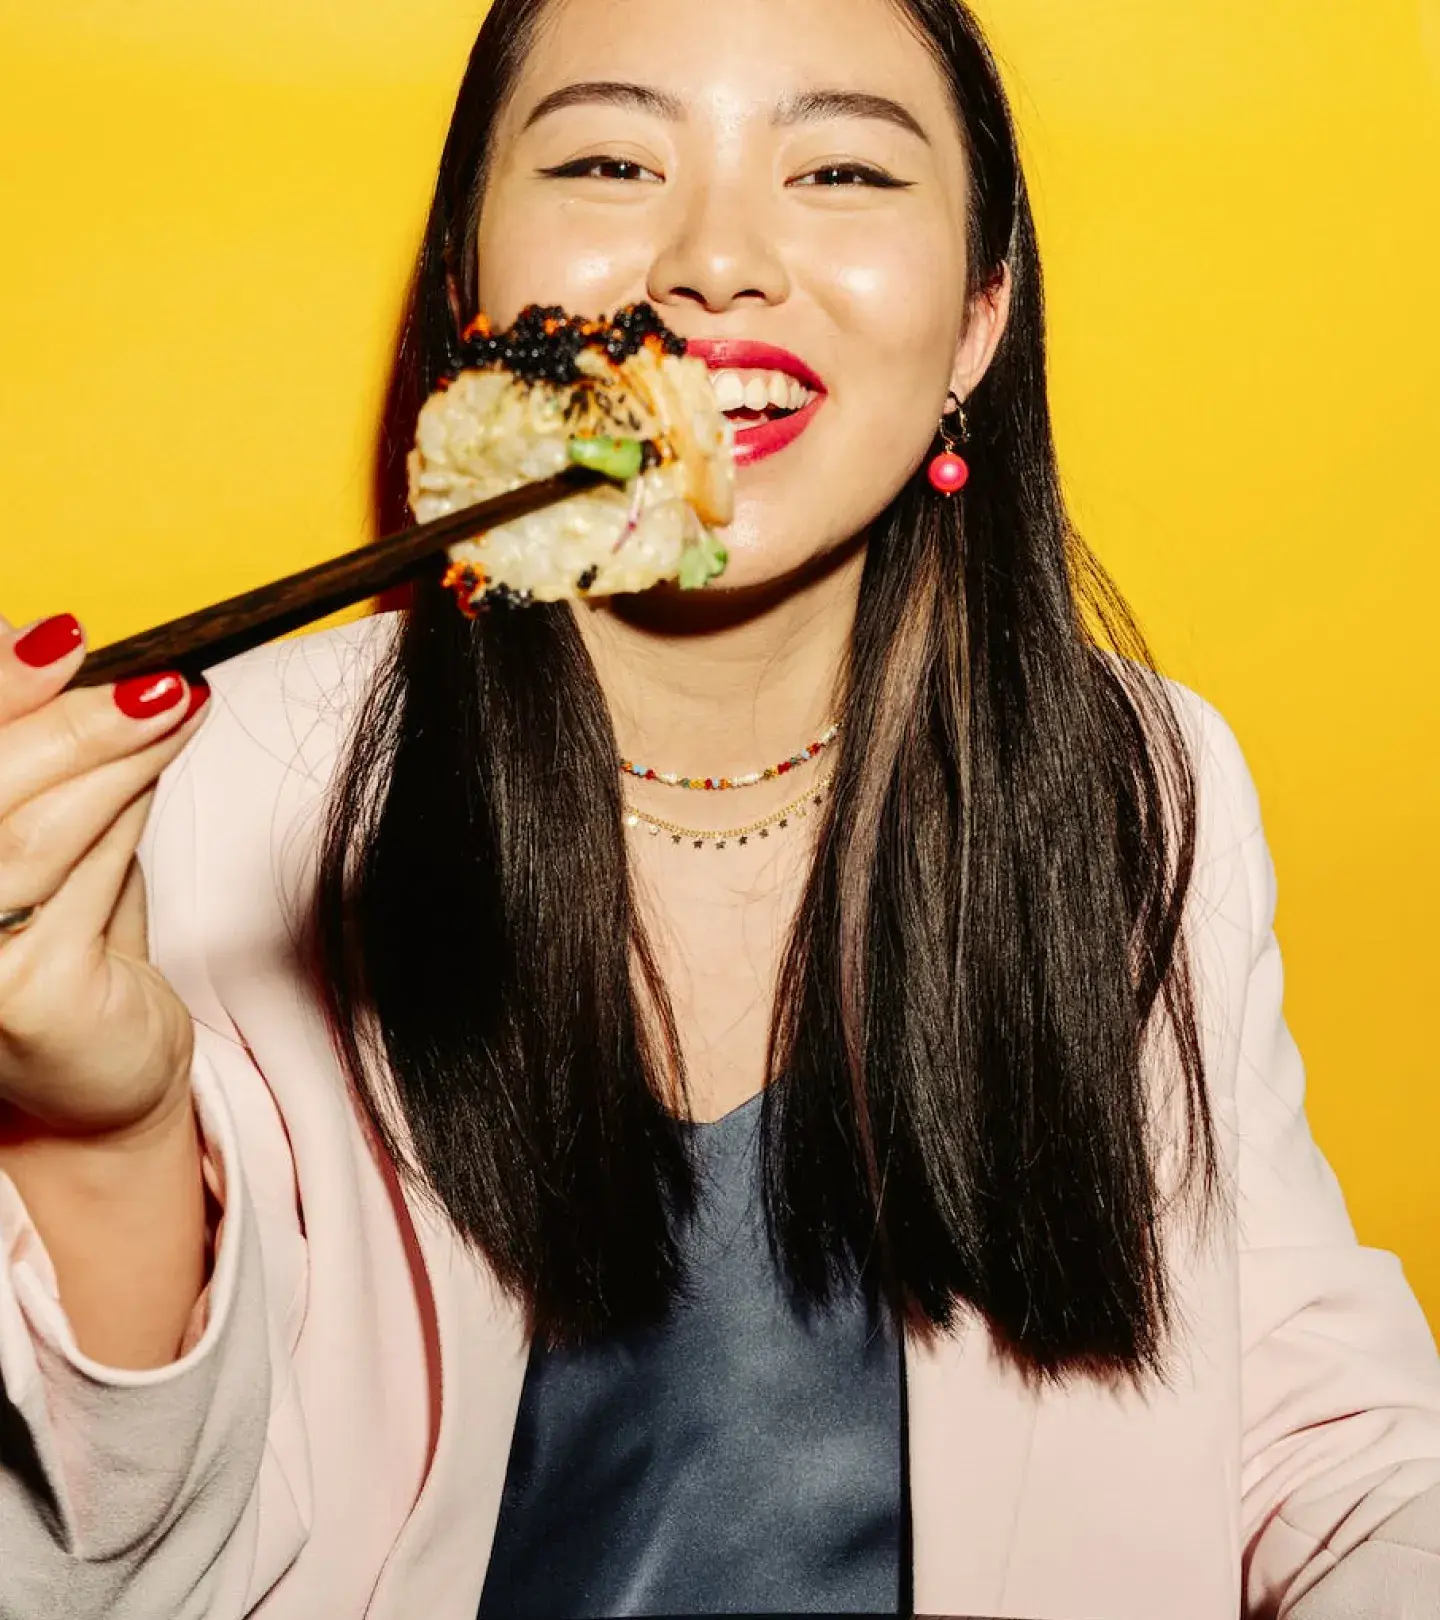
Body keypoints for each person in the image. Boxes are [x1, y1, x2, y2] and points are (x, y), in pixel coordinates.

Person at [2, 0, 1438, 1616]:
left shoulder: (1133, 785)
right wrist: (101, 1129)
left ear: (979, 318)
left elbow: (1333, 1451)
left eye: (840, 171)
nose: (719, 261)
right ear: (471, 283)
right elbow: (92, 1573)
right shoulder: (210, 818)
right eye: (615, 157)